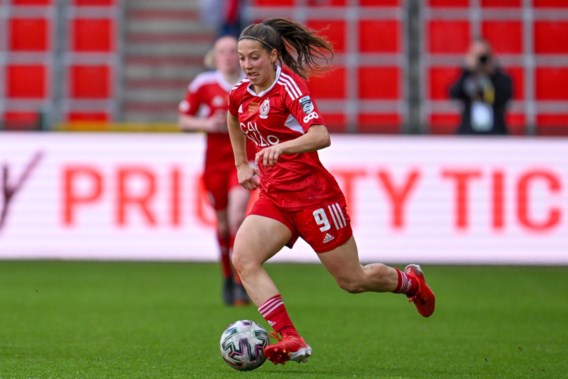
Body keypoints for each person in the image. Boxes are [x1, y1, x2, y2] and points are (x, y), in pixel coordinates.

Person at [226, 18, 436, 365]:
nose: (247, 66)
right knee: (243, 259)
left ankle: (410, 282)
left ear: (274, 56)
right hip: (275, 196)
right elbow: (233, 117)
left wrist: (286, 147)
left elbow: (321, 135)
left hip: (314, 197)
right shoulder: (240, 93)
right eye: (242, 58)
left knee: (353, 280)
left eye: (254, 58)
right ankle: (290, 336)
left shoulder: (291, 89)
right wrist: (241, 164)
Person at [178, 35, 251, 306]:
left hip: (243, 160)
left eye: (234, 51)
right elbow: (182, 120)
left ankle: (241, 281)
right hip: (214, 163)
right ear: (215, 56)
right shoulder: (204, 84)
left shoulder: (251, 83)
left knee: (236, 219)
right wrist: (207, 124)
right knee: (222, 225)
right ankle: (226, 278)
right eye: (224, 51)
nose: (229, 56)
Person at [449, 37, 513, 135]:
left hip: (495, 133)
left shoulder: (499, 76)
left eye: (483, 55)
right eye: (477, 55)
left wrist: (493, 73)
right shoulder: (467, 76)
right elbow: (453, 93)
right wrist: (467, 71)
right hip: (469, 133)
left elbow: (507, 95)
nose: (481, 59)